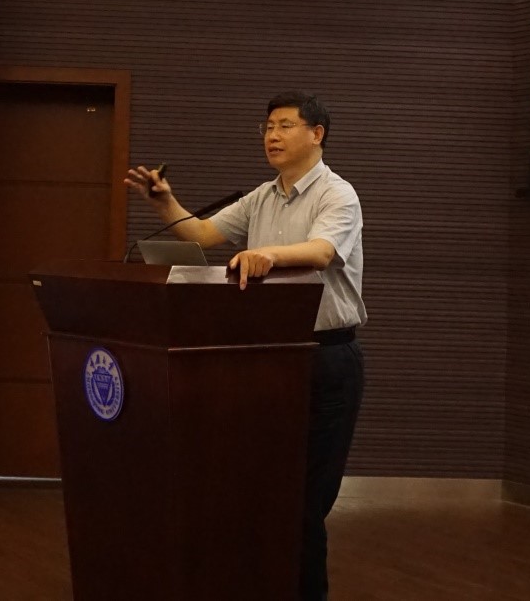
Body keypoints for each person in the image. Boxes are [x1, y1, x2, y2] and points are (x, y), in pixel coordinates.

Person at [125, 91, 365, 601]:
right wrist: (164, 201)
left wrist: (268, 254)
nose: (272, 136)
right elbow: (203, 234)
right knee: (262, 494)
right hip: (265, 358)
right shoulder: (262, 196)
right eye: (267, 127)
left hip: (324, 359)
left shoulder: (337, 194)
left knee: (304, 504)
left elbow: (322, 251)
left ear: (316, 134)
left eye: (284, 126)